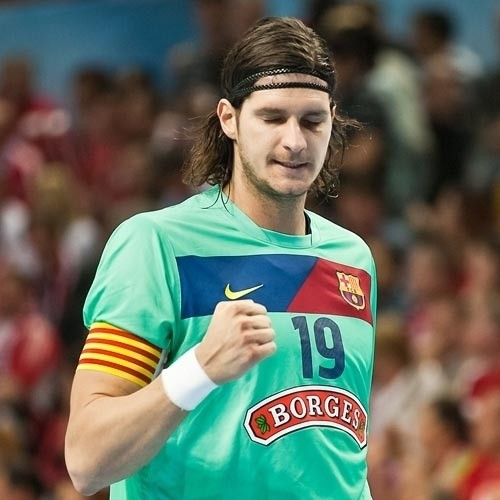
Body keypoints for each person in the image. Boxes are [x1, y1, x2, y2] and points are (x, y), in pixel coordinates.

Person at [65, 17, 377, 499]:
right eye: (272, 118)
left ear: (332, 119)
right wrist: (199, 369)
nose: (295, 141)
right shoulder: (157, 244)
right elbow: (87, 461)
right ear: (229, 119)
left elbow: (336, 457)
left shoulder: (353, 259)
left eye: (312, 121)